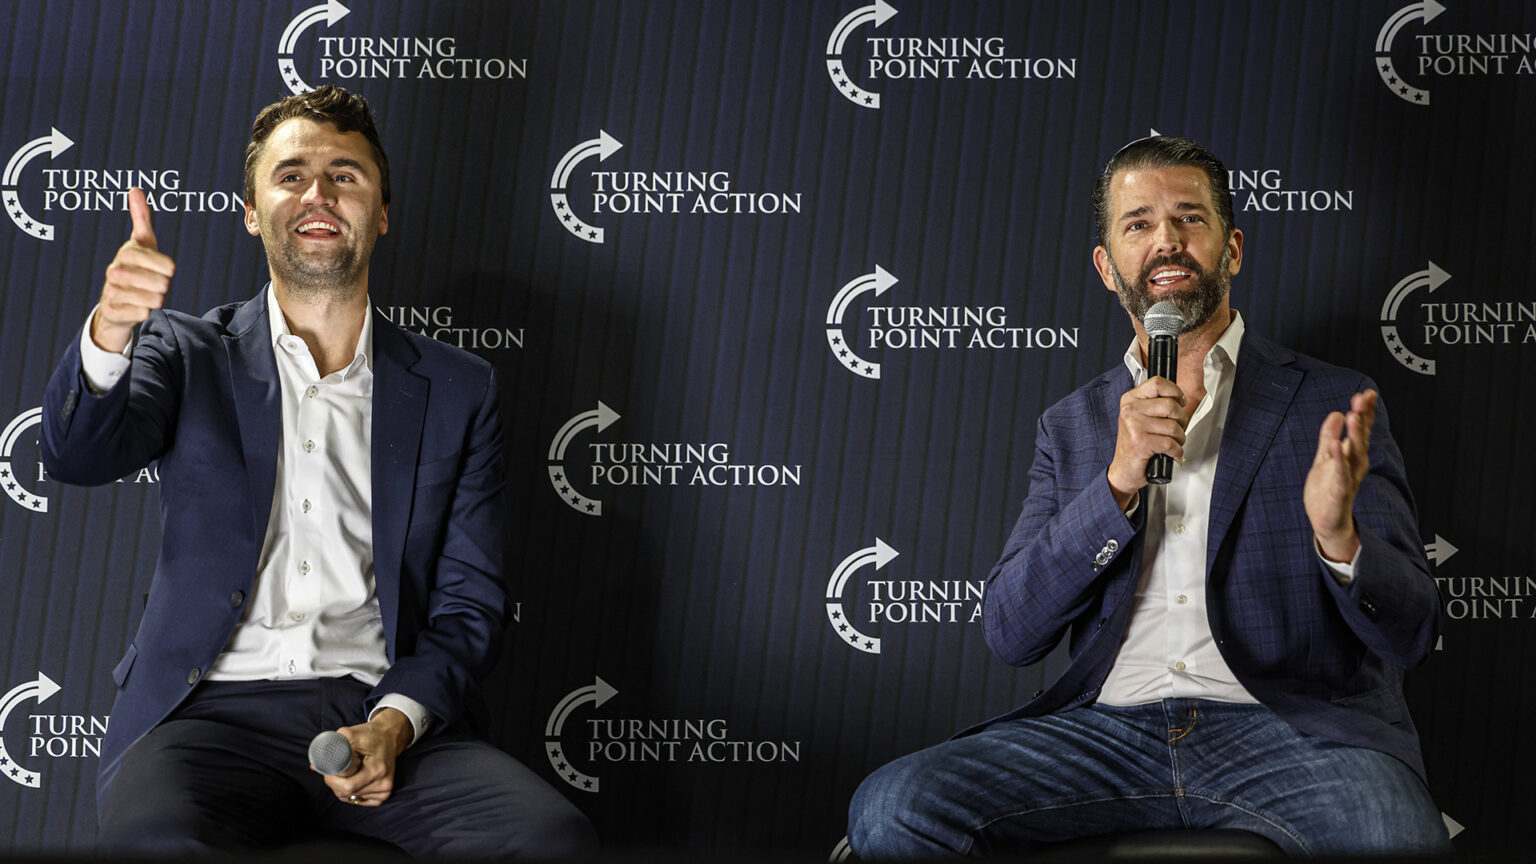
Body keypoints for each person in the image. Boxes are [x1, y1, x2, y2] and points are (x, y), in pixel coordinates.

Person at [847, 136, 1449, 857]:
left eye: (1189, 218)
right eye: (1138, 224)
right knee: (895, 806)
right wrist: (1116, 486)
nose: (1166, 240)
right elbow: (1012, 631)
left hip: (1290, 734)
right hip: (1107, 733)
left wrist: (1337, 537)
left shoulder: (1331, 401)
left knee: (1395, 837)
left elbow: (1410, 630)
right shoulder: (1073, 425)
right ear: (1108, 267)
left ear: (1231, 250)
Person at [40, 85, 597, 856]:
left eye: (346, 174)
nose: (318, 193)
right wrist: (110, 330)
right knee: (153, 845)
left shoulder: (461, 388)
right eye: (291, 174)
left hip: (379, 709)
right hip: (207, 718)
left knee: (550, 839)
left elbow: (471, 603)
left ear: (383, 211)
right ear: (249, 209)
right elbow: (76, 455)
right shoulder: (183, 351)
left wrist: (394, 724)